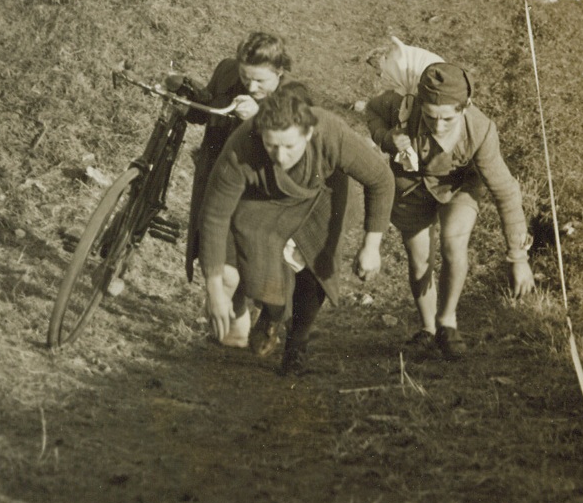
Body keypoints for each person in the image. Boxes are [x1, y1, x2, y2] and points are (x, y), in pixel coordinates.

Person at [199, 81, 395, 376]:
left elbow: (380, 179)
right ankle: (273, 311)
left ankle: (297, 345)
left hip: (323, 192)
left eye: (289, 146)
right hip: (268, 200)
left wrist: (371, 246)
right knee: (259, 255)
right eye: (271, 145)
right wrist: (215, 291)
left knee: (315, 265)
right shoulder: (242, 145)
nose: (280, 155)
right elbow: (214, 216)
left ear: (308, 133)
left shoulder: (330, 132)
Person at [365, 58, 534, 359]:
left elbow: (506, 192)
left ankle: (448, 322)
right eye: (431, 118)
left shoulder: (481, 130)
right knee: (419, 260)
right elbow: (372, 111)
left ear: (464, 106)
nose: (438, 126)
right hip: (412, 185)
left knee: (453, 244)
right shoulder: (402, 107)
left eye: (447, 119)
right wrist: (386, 139)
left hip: (459, 186)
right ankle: (428, 329)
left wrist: (518, 257)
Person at [175, 32, 292, 320]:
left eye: (260, 81)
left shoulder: (292, 96)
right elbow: (206, 112)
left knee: (242, 263)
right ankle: (223, 324)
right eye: (245, 76)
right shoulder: (227, 70)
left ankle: (246, 316)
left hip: (256, 193)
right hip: (216, 180)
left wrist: (260, 117)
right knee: (215, 257)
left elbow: (290, 150)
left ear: (279, 72)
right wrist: (188, 98)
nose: (251, 86)